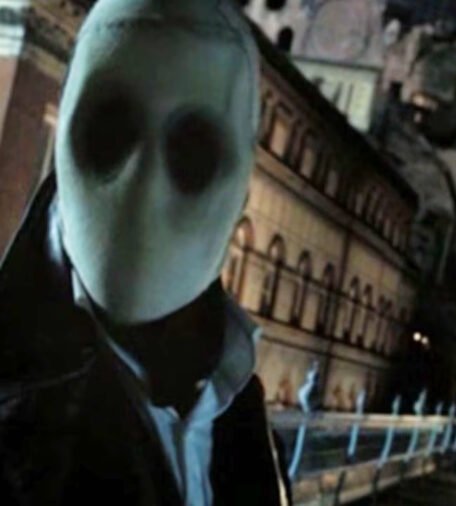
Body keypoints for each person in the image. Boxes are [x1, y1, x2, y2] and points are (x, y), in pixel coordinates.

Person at [0, 0, 288, 504]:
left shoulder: (241, 411)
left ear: (241, 194)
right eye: (111, 131)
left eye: (192, 150)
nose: (143, 189)